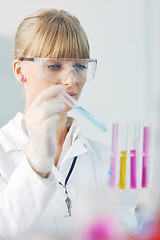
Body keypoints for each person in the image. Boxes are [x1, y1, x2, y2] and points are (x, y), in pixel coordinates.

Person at [0, 8, 138, 239]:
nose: (71, 80)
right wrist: (36, 163)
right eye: (54, 66)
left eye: (80, 66)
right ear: (19, 70)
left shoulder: (106, 159)